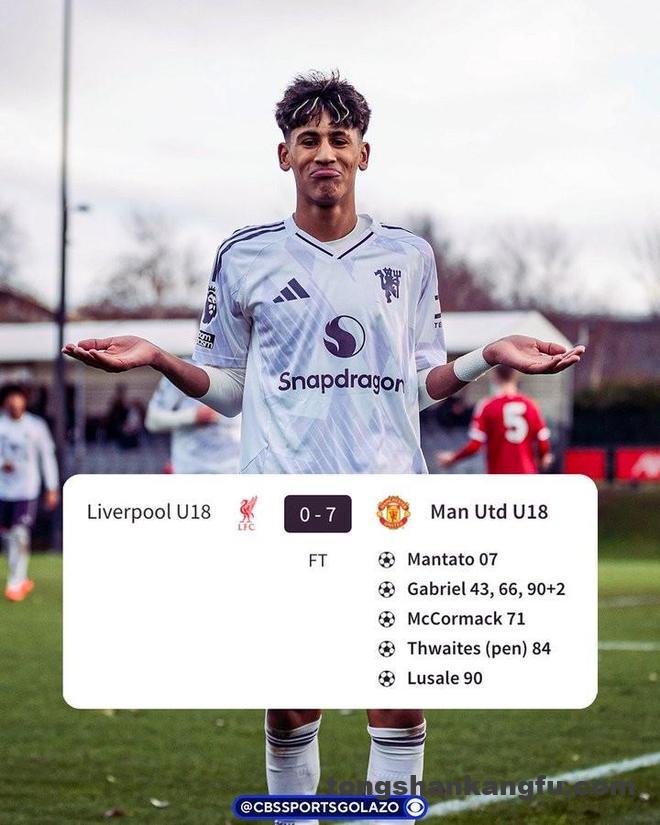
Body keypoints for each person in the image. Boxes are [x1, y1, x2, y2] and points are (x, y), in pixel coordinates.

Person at [63, 71, 584, 818]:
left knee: (396, 695)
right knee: (290, 697)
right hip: (283, 499)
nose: (325, 153)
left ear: (364, 153)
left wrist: (486, 356)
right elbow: (231, 388)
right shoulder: (243, 256)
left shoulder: (409, 257)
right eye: (308, 139)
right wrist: (159, 358)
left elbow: (415, 384)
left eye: (340, 138)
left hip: (390, 500)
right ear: (285, 155)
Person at [0, 384, 59, 601]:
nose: (15, 403)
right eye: (11, 399)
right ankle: (20, 577)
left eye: (18, 399)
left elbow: (47, 457)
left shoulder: (36, 426)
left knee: (20, 532)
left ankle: (15, 582)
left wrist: (51, 487)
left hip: (27, 489)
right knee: (7, 536)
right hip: (3, 489)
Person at [438, 365, 554, 473]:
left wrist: (452, 458)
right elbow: (543, 442)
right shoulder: (530, 405)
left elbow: (475, 445)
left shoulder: (487, 406)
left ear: (494, 376)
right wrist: (543, 458)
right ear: (517, 375)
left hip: (499, 472)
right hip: (526, 472)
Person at [145, 370, 241, 473]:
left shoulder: (244, 371)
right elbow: (152, 422)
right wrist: (193, 416)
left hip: (234, 470)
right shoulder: (179, 371)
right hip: (191, 469)